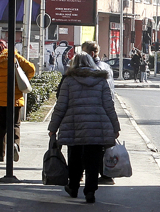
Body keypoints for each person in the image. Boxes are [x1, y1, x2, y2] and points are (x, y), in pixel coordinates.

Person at [48, 53, 120, 203]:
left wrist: (53, 127)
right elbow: (109, 105)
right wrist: (115, 126)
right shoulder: (101, 80)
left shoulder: (69, 80)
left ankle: (73, 186)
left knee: (74, 157)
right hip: (96, 125)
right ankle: (90, 191)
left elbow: (60, 106)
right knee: (93, 160)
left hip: (74, 125)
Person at [0, 39, 35, 163]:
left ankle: (0, 154)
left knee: (1, 126)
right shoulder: (14, 56)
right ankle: (15, 144)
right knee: (15, 124)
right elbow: (31, 69)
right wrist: (23, 80)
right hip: (14, 98)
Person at [81, 40, 116, 185]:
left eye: (83, 52)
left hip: (91, 111)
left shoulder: (89, 69)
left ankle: (85, 174)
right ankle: (106, 174)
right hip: (106, 111)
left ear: (90, 53)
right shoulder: (106, 67)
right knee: (104, 144)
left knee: (87, 145)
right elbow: (111, 92)